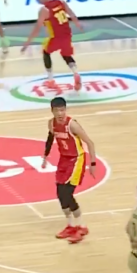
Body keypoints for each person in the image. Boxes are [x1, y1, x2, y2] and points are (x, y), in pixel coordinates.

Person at [42, 97, 97, 244]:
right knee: (60, 194)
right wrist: (45, 156)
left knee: (67, 193)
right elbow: (50, 138)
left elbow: (90, 143)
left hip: (77, 159)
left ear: (65, 110)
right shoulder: (51, 124)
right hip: (64, 159)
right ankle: (71, 225)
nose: (60, 113)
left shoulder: (72, 125)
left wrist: (92, 163)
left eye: (62, 110)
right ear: (52, 111)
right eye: (57, 110)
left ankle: (82, 226)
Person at [20, 0, 84, 91]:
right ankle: (76, 73)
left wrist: (27, 44)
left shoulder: (44, 9)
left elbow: (37, 28)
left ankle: (50, 80)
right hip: (67, 35)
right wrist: (78, 25)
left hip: (55, 37)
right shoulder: (61, 2)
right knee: (66, 54)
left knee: (46, 52)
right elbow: (71, 14)